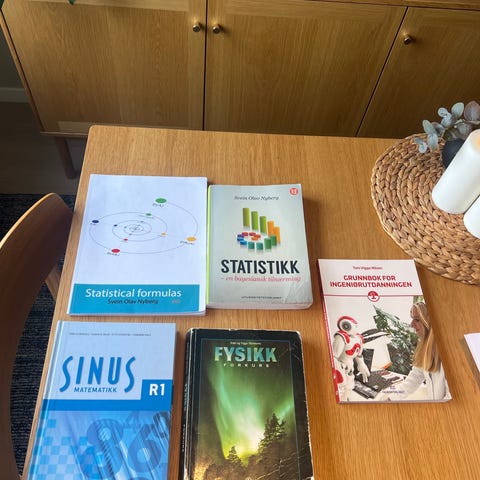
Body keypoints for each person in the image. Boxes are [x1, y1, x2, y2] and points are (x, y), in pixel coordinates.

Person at [397, 302, 451, 400]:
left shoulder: (449, 351)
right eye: (412, 319)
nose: (412, 324)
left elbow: (451, 397)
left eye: (417, 320)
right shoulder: (424, 347)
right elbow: (415, 377)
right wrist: (392, 398)